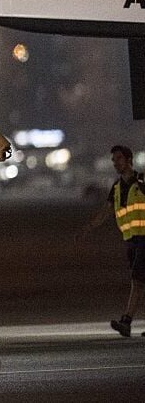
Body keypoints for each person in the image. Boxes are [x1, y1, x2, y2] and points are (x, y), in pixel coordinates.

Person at [82, 144, 145, 337]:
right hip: (131, 240)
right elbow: (106, 211)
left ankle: (126, 320)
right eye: (113, 160)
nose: (115, 163)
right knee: (140, 281)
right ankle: (126, 321)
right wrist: (89, 228)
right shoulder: (117, 187)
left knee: (137, 278)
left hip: (144, 238)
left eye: (118, 159)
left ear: (129, 160)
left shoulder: (141, 181)